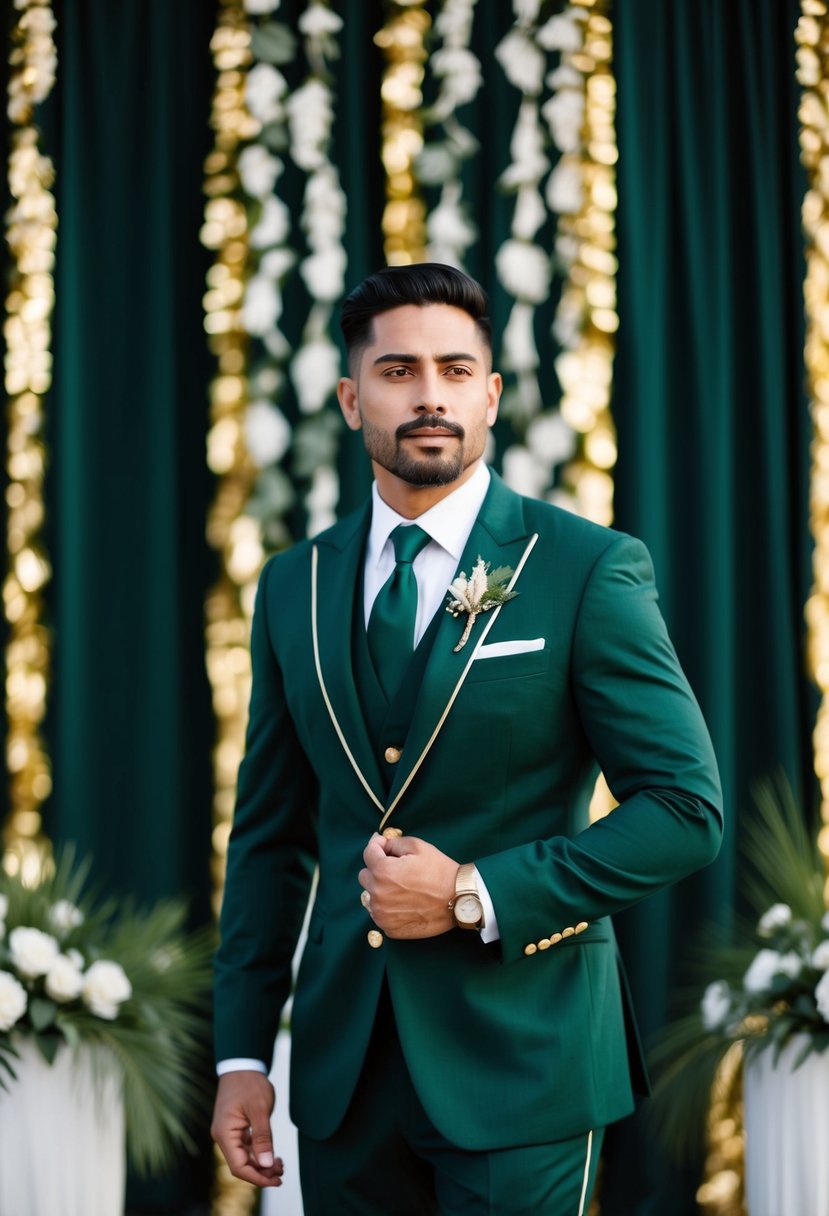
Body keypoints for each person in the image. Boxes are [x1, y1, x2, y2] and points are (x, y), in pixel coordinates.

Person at [211, 262, 723, 1215]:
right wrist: (242, 1054)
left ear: (490, 394)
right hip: (341, 1077)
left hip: (523, 1064)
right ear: (350, 395)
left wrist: (468, 894)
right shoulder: (295, 582)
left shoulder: (583, 568)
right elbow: (271, 839)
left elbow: (684, 812)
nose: (430, 395)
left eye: (454, 370)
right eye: (399, 371)